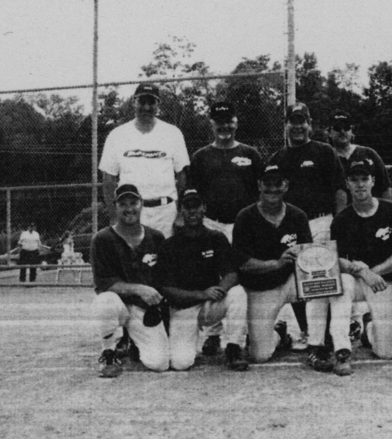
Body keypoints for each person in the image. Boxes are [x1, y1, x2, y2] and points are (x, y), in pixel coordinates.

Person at [232, 165, 349, 371]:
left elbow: (309, 257)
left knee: (321, 284)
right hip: (262, 287)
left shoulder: (297, 215)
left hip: (291, 281)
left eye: (277, 183)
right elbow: (243, 263)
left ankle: (316, 343)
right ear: (259, 185)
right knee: (259, 355)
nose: (272, 189)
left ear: (286, 185)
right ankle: (279, 333)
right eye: (267, 183)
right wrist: (277, 263)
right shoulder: (245, 216)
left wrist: (304, 257)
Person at [267, 102, 347, 350]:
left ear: (310, 125)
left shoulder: (324, 151)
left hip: (321, 221)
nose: (298, 126)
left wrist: (340, 222)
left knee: (322, 281)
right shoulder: (277, 158)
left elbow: (340, 190)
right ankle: (306, 330)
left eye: (303, 121)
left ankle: (327, 334)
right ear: (286, 125)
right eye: (293, 121)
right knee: (295, 278)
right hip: (290, 227)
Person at [153, 189, 249, 372]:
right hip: (183, 309)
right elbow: (166, 289)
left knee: (237, 293)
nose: (192, 211)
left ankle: (233, 348)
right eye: (187, 207)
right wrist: (201, 293)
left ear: (204, 207)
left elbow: (232, 273)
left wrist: (219, 289)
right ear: (180, 209)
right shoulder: (170, 245)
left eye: (196, 206)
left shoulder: (216, 238)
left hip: (209, 305)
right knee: (181, 363)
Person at [330, 159, 392, 361]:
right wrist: (362, 272)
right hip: (358, 278)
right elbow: (336, 258)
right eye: (354, 179)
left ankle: (369, 329)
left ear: (373, 181)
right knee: (341, 284)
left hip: (384, 281)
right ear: (347, 183)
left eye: (364, 179)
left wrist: (373, 272)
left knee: (386, 353)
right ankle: (342, 349)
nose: (360, 184)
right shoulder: (341, 219)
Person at [90, 184, 169, 378]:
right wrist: (139, 288)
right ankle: (109, 352)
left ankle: (133, 341)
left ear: (141, 204)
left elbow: (164, 280)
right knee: (104, 301)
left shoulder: (156, 237)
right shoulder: (102, 239)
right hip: (119, 305)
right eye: (123, 204)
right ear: (115, 206)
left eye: (133, 202)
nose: (129, 208)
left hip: (143, 309)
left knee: (160, 363)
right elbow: (104, 283)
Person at [99, 83, 190, 238]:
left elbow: (183, 175)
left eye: (151, 102)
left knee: (165, 260)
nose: (146, 107)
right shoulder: (117, 135)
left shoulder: (173, 133)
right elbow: (108, 179)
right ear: (134, 102)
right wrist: (114, 216)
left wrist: (180, 213)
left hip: (165, 214)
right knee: (132, 260)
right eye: (142, 102)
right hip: (130, 213)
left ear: (158, 105)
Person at [189, 101, 264, 242]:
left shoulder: (251, 154)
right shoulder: (200, 156)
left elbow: (262, 190)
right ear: (211, 125)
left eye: (229, 121)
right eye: (219, 122)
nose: (224, 126)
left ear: (236, 123)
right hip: (211, 223)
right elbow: (193, 191)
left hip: (246, 224)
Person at [328, 109, 392, 202]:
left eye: (346, 127)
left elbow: (385, 187)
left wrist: (386, 212)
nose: (342, 131)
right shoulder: (326, 157)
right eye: (337, 128)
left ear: (351, 130)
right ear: (329, 132)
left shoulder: (369, 154)